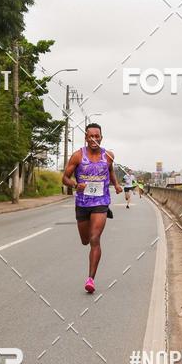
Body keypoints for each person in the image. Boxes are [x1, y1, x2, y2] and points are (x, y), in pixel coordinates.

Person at [63, 123, 123, 293]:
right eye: (91, 136)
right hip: (82, 203)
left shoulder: (108, 156)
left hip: (101, 202)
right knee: (85, 240)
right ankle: (89, 239)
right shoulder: (77, 156)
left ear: (101, 138)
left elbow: (110, 171)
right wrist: (75, 184)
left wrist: (116, 184)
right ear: (86, 138)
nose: (94, 139)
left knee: (95, 238)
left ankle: (90, 279)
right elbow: (64, 178)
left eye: (97, 136)